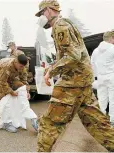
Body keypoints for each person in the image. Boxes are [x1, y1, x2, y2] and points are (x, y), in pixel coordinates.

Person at [35, 0, 114, 152]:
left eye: (42, 13)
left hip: (73, 81)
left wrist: (52, 71)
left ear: (50, 10)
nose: (41, 17)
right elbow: (70, 54)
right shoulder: (64, 24)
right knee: (96, 122)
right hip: (82, 81)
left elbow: (73, 56)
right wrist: (53, 66)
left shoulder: (60, 25)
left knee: (49, 122)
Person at [0, 54, 37, 132]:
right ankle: (6, 123)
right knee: (4, 100)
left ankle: (32, 118)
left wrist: (26, 91)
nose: (22, 68)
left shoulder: (22, 67)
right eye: (21, 66)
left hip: (10, 78)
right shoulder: (6, 67)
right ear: (16, 62)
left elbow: (24, 80)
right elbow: (2, 82)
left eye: (23, 67)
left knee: (21, 87)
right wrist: (11, 92)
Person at [91, 30, 114, 126]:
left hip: (100, 78)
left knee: (101, 100)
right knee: (113, 100)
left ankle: (101, 121)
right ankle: (112, 121)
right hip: (111, 77)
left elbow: (92, 64)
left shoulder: (96, 51)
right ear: (111, 38)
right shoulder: (113, 48)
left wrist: (96, 77)